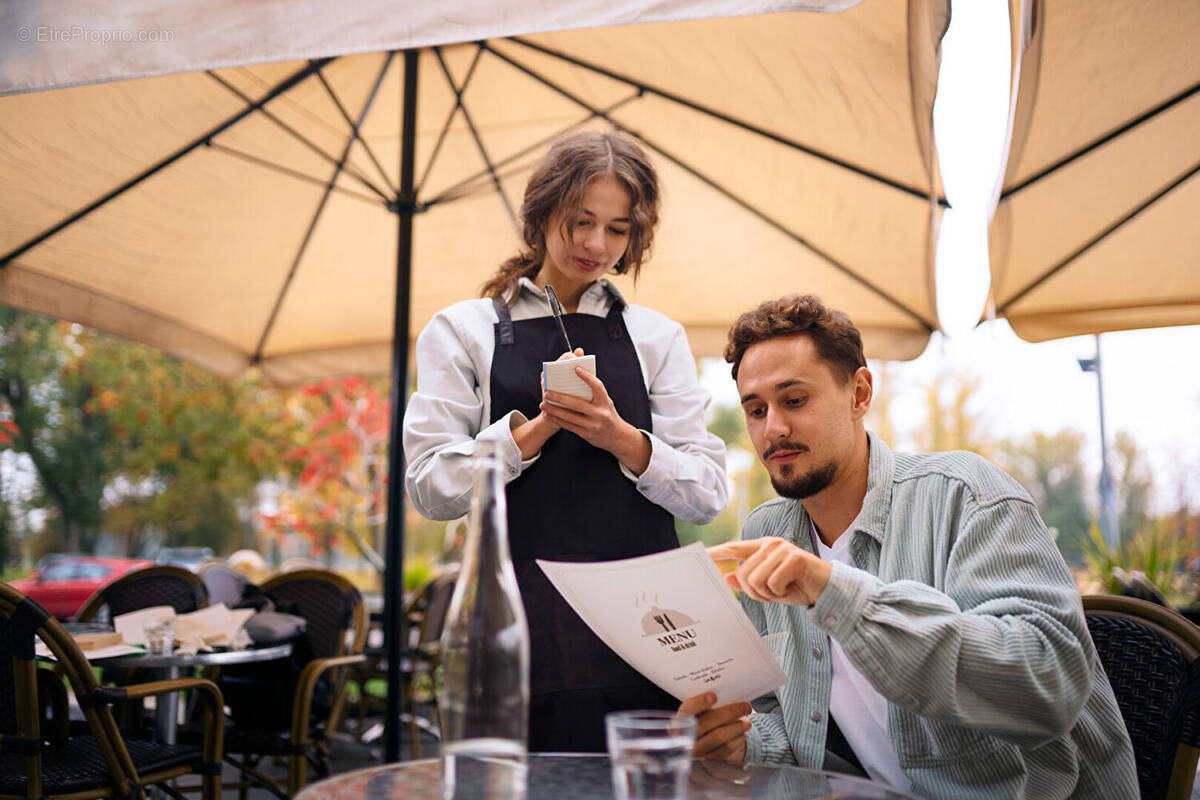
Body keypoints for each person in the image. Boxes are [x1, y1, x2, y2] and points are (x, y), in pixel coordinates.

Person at [680, 294, 1138, 798]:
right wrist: (741, 745)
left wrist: (834, 591)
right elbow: (792, 730)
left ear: (859, 394)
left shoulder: (965, 495)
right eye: (756, 409)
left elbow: (1049, 686)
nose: (774, 429)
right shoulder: (769, 530)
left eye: (794, 400)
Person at [403, 130, 728, 752]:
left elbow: (708, 494)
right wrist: (529, 436)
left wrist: (624, 440)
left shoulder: (658, 338)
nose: (594, 244)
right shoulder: (462, 330)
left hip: (649, 629)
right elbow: (429, 487)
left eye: (617, 228)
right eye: (580, 221)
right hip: (518, 621)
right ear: (542, 210)